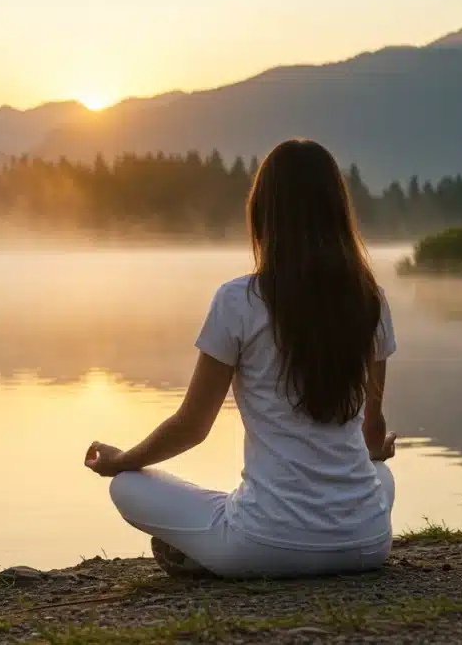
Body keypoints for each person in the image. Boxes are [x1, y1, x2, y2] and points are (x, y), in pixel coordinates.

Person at [83, 139, 397, 579]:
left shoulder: (238, 301)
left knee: (128, 487)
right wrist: (374, 453)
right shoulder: (370, 301)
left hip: (267, 546)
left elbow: (191, 427)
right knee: (379, 476)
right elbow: (372, 428)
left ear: (263, 216)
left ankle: (206, 548)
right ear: (337, 213)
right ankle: (220, 538)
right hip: (366, 545)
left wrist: (122, 461)